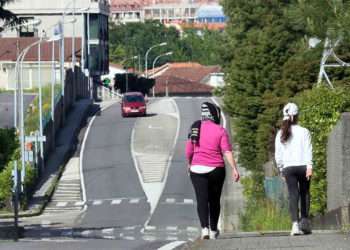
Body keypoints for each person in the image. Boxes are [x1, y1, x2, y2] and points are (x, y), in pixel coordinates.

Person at [185, 102, 240, 240]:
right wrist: (234, 168)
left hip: (196, 169)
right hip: (216, 169)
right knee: (214, 200)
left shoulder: (195, 128)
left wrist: (189, 163)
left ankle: (204, 229)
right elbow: (226, 151)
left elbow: (189, 150)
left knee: (201, 199)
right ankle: (214, 230)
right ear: (215, 114)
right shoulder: (220, 130)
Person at [275, 103, 313, 236]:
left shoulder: (280, 133)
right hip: (303, 166)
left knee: (293, 194)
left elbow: (278, 154)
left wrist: (281, 169)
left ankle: (295, 225)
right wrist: (309, 166)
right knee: (305, 193)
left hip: (288, 168)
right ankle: (305, 223)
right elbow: (308, 149)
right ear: (297, 115)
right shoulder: (304, 131)